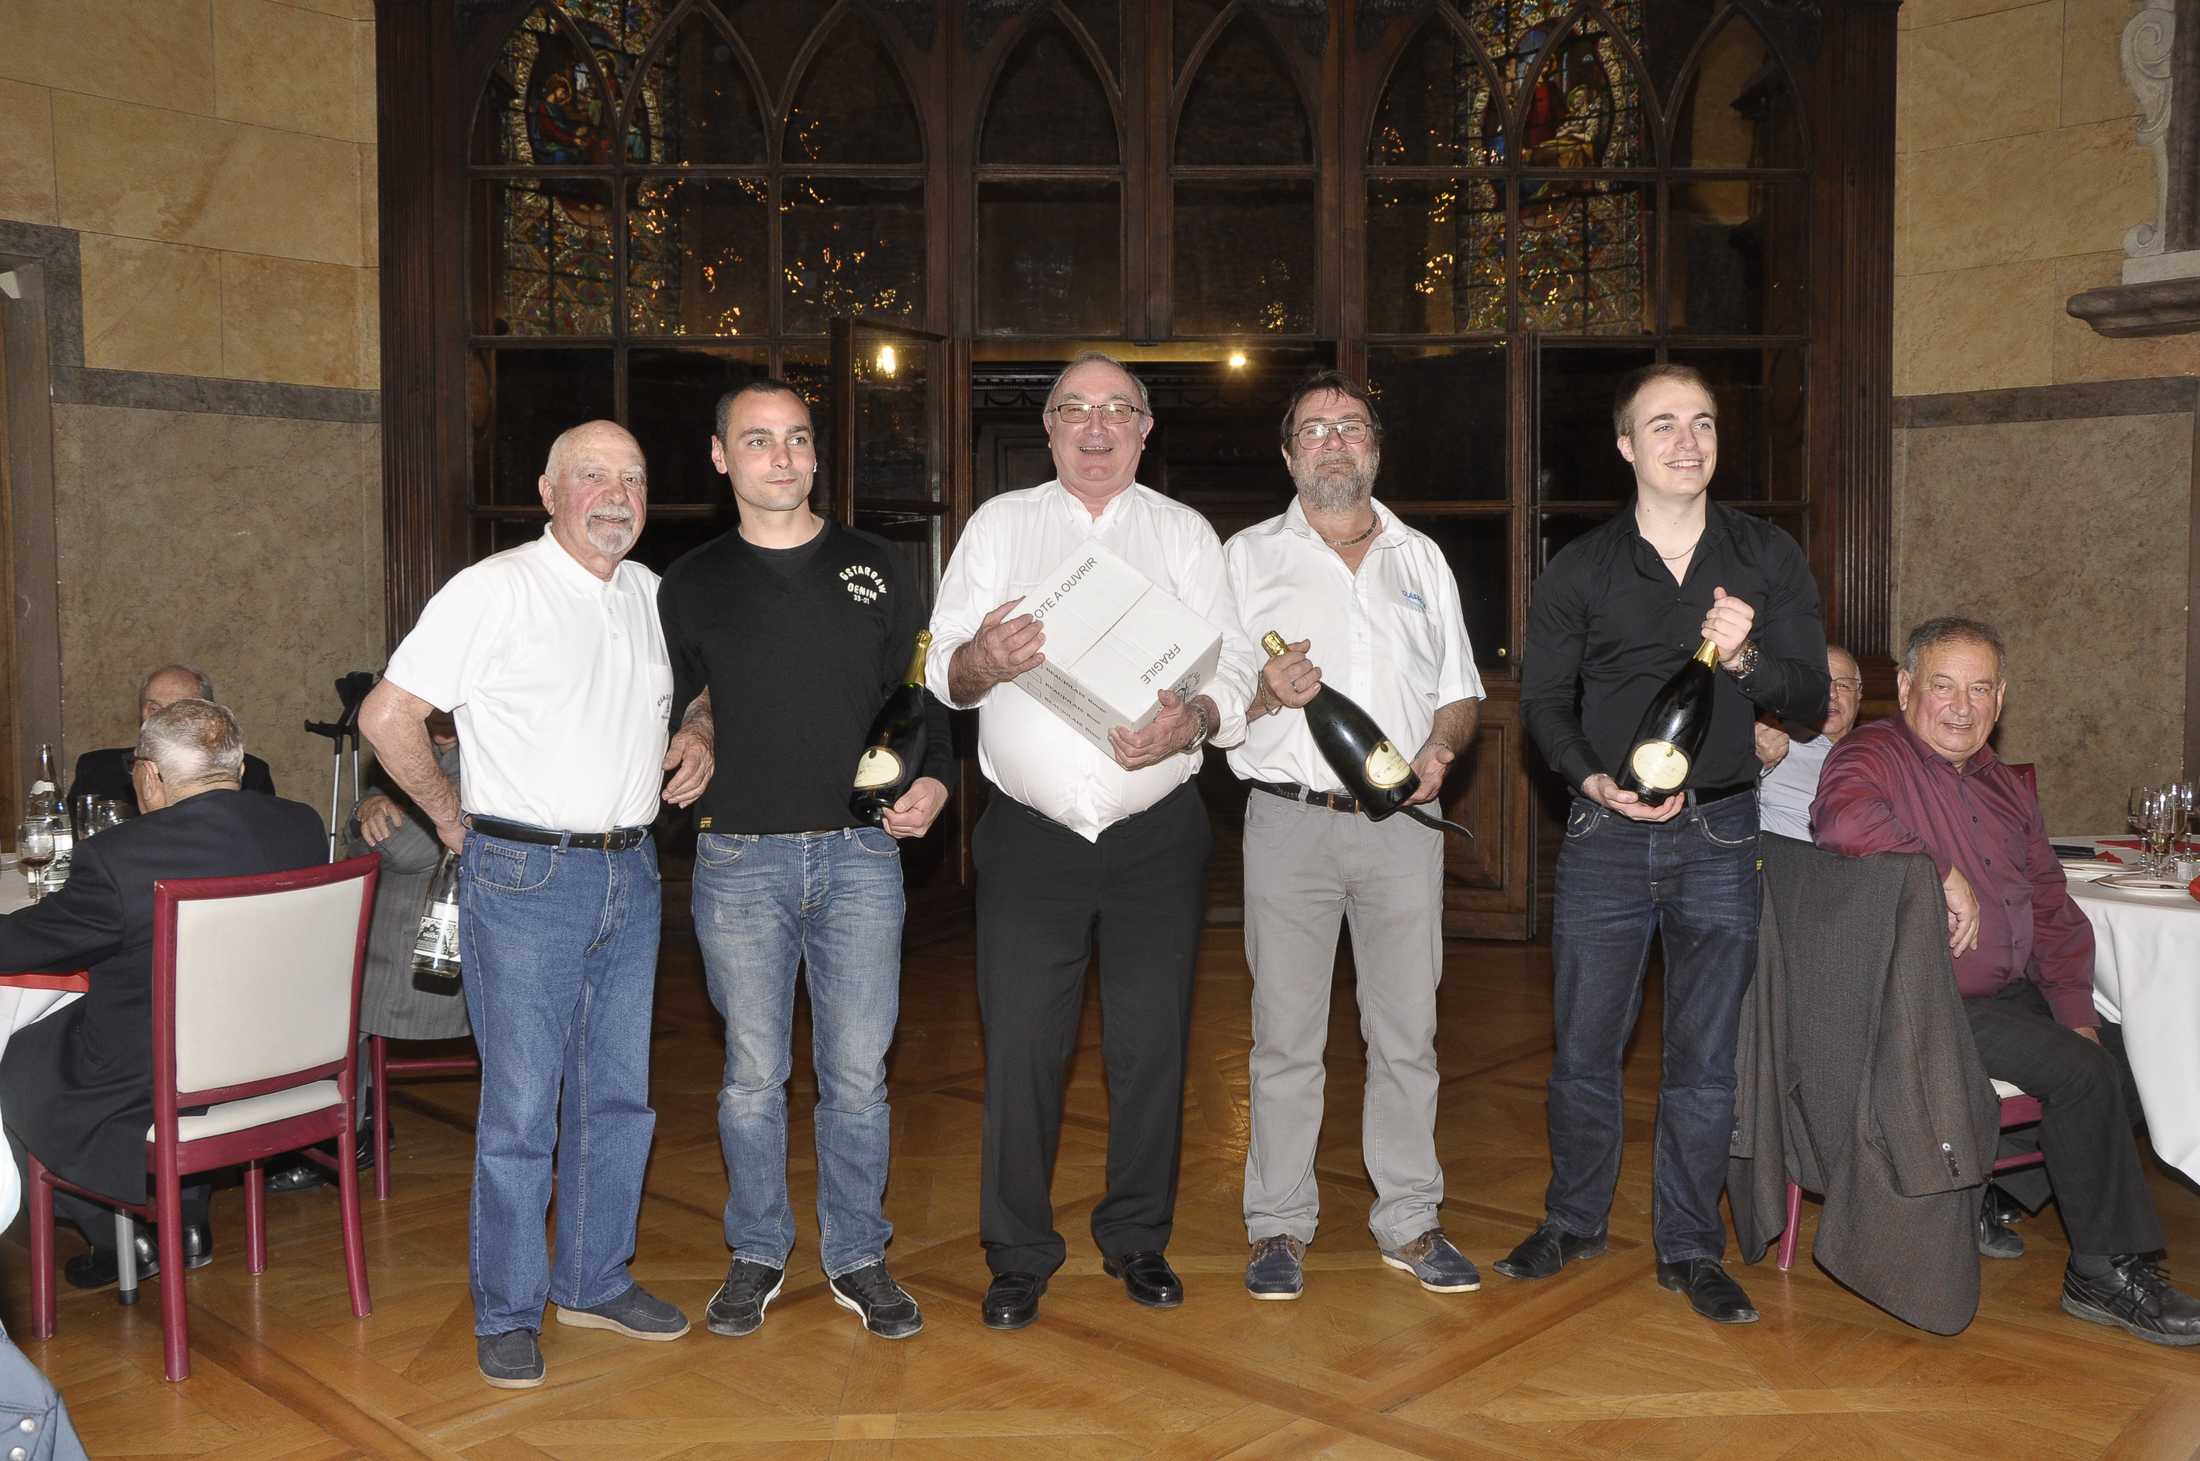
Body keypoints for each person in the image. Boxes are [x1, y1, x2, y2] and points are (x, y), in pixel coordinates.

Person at [360, 419, 715, 1390]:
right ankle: (510, 1310)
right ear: (549, 492)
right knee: (522, 1109)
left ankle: (594, 1278)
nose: (617, 494)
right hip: (521, 875)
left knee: (618, 1097)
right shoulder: (494, 589)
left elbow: (700, 690)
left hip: (632, 872)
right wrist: (448, 818)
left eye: (633, 477)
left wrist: (700, 732)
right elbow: (387, 716)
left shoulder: (653, 594)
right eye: (593, 475)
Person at [925, 352, 1258, 1330]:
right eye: (1075, 409)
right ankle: (1017, 1252)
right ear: (1050, 430)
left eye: (1117, 409)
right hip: (1030, 841)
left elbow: (1235, 664)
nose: (1097, 426)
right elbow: (942, 668)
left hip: (1158, 837)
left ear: (1145, 430)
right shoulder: (1001, 526)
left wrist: (1195, 716)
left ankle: (1137, 1237)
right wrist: (981, 658)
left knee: (1151, 1047)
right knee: (1021, 1048)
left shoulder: (1184, 534)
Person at [1506, 363, 1829, 1325]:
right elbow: (1543, 704)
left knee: (1705, 1058)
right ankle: (1573, 1220)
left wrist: (1748, 656)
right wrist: (1590, 780)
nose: (1687, 442)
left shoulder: (1766, 555)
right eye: (1663, 425)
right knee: (1584, 1048)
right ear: (1626, 445)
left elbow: (1810, 700)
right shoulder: (1581, 567)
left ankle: (1689, 1247)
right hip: (1604, 830)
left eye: (1703, 423)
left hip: (1722, 831)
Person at [657, 380, 952, 1343]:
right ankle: (757, 1247)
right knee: (752, 1076)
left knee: (858, 1077)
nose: (780, 457)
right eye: (757, 440)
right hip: (738, 859)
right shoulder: (688, 582)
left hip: (863, 856)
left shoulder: (878, 564)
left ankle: (858, 1252)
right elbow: (681, 702)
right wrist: (692, 730)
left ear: (816, 453)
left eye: (795, 438)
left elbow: (918, 699)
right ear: (720, 457)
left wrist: (935, 781)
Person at [1813, 615, 2200, 1347]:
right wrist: (1939, 869)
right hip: (1922, 998)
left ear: (2002, 696)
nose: (1962, 707)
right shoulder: (1873, 755)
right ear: (1906, 687)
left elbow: (2050, 906)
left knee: (2135, 1058)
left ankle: (1993, 1186)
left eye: (1980, 689)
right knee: (2083, 1074)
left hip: (2003, 990)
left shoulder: (2001, 783)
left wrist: (2075, 1012)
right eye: (1944, 686)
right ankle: (2104, 1272)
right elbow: (1842, 819)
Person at [1222, 371, 1485, 1301]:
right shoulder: (1244, 559)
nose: (1334, 442)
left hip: (1404, 824)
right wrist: (1264, 693)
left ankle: (1409, 1218)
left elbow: (1459, 692)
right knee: (1284, 1037)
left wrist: (1442, 749)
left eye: (1352, 427)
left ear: (1375, 447)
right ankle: (1278, 1225)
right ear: (1288, 453)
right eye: (1315, 429)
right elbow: (1210, 700)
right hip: (1287, 821)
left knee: (1407, 1032)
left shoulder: (1422, 558)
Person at [0, 700, 324, 1288]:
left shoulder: (122, 856)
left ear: (149, 776)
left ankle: (113, 1235)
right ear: (238, 768)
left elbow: (24, 945)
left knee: (20, 1058)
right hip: (277, 1059)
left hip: (162, 1075)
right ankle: (189, 1222)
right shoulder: (302, 826)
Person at [266, 710, 469, 1194]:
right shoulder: (415, 748)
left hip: (435, 957)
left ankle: (343, 1137)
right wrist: (368, 807)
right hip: (384, 935)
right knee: (294, 976)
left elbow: (410, 849)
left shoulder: (482, 755)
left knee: (325, 1001)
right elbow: (368, 816)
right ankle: (346, 1123)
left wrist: (368, 820)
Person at [67, 665, 277, 811]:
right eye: (154, 708)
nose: (162, 719)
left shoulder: (248, 772)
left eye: (178, 709)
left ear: (207, 714)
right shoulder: (97, 769)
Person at [1753, 644, 1861, 841]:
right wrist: (1755, 762)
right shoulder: (1770, 743)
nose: (1832, 694)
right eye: (1821, 683)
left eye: (1843, 685)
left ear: (1859, 694)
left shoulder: (1877, 753)